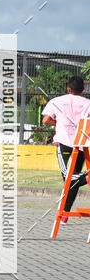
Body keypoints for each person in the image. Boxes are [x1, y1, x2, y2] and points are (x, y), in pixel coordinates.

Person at [41, 75, 90, 222]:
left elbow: (46, 120)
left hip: (64, 142)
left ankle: (86, 177)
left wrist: (58, 123)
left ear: (68, 89)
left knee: (67, 176)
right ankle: (65, 213)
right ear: (83, 89)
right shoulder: (88, 103)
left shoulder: (56, 101)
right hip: (81, 144)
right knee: (73, 178)